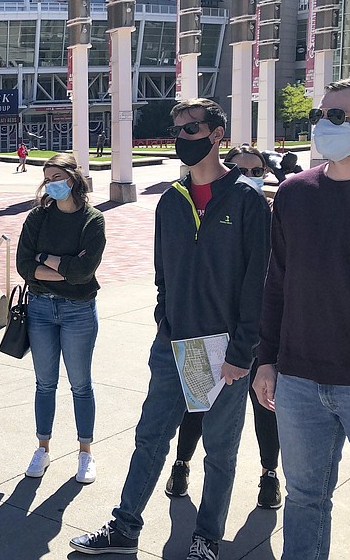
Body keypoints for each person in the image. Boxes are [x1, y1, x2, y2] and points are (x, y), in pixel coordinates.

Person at [72, 98, 271, 560]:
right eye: (177, 128)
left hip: (223, 350)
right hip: (174, 345)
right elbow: (163, 274)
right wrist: (166, 323)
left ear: (217, 134)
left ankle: (206, 537)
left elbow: (257, 283)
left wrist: (242, 352)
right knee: (151, 437)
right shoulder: (170, 201)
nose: (183, 136)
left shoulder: (247, 201)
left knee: (219, 451)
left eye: (192, 127)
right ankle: (125, 529)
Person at [253, 76, 350, 559]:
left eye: (338, 116)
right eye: (322, 114)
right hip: (299, 383)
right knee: (303, 502)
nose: (325, 125)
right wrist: (266, 359)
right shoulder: (295, 192)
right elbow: (277, 282)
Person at [163, 145, 282, 510]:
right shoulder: (214, 208)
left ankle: (269, 473)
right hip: (213, 331)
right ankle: (182, 462)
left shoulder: (275, 213)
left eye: (257, 169)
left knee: (265, 409)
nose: (249, 174)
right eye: (240, 168)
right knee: (196, 406)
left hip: (261, 333)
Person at [15, 153, 106, 484]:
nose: (52, 184)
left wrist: (46, 259)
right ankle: (43, 447)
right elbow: (25, 266)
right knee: (45, 383)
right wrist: (62, 265)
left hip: (79, 310)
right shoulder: (37, 217)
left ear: (73, 178)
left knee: (81, 385)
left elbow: (84, 274)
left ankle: (85, 452)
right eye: (47, 178)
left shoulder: (92, 220)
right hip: (39, 309)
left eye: (57, 177)